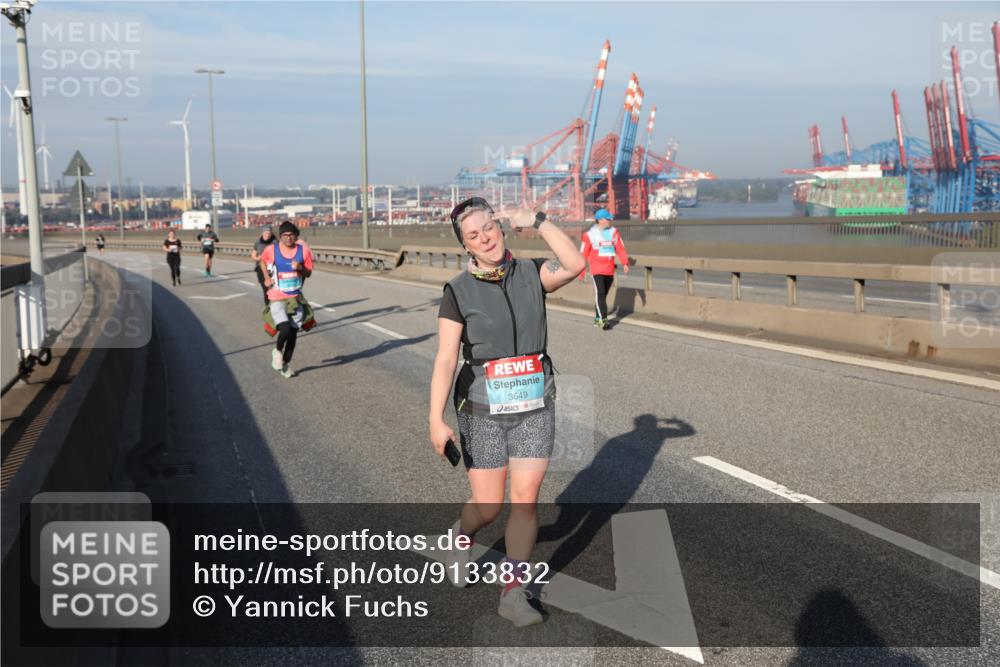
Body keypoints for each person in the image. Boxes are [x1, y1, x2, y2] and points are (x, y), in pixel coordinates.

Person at [429, 197, 585, 627]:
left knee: (526, 498)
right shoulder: (458, 291)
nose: (485, 239)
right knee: (489, 504)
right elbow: (445, 358)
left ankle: (513, 593)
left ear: (500, 228)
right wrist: (435, 419)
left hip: (535, 403)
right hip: (481, 409)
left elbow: (575, 264)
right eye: (474, 236)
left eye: (489, 229)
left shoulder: (532, 274)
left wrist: (537, 220)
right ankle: (462, 536)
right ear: (467, 247)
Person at [260, 220, 315, 379]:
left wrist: (300, 268)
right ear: (280, 236)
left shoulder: (303, 251)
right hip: (277, 296)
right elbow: (262, 261)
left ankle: (285, 364)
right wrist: (266, 278)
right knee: (283, 328)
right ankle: (277, 351)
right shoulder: (272, 249)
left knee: (292, 335)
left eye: (291, 235)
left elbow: (309, 273)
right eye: (285, 235)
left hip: (296, 298)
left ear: (296, 235)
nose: (288, 238)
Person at [579, 208, 629, 329]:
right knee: (600, 293)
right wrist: (581, 271)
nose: (610, 220)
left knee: (602, 295)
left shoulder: (614, 232)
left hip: (609, 269)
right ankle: (604, 320)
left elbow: (620, 248)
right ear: (600, 220)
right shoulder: (588, 235)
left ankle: (597, 317)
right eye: (607, 219)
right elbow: (583, 253)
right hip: (596, 269)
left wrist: (625, 263)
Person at [250, 227, 275, 305]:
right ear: (262, 233)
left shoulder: (275, 242)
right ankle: (268, 307)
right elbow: (253, 255)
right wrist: (259, 258)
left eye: (269, 233)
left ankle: (276, 306)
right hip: (260, 268)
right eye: (266, 233)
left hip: (273, 267)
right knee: (266, 289)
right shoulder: (258, 243)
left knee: (275, 288)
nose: (267, 235)